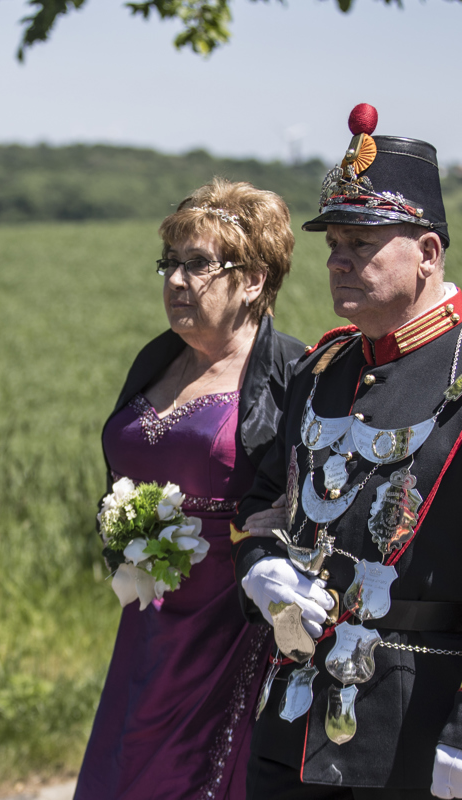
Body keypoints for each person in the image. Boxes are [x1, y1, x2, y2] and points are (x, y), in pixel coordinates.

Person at [232, 103, 462, 799]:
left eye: (362, 244)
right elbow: (263, 503)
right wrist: (261, 567)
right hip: (293, 722)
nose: (338, 261)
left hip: (420, 725)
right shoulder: (322, 368)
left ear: (427, 253)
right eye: (333, 244)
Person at [73, 178, 305, 800]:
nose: (175, 280)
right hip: (150, 625)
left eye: (197, 264)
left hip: (233, 628)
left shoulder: (296, 375)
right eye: (169, 264)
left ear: (253, 280)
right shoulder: (156, 358)